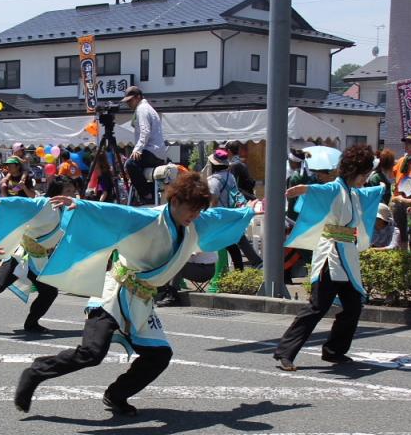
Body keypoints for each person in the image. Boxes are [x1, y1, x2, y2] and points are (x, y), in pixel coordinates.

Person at [13, 171, 253, 416]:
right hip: (115, 292)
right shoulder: (147, 218)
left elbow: (221, 217)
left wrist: (250, 210)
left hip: (142, 299)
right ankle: (37, 371)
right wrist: (83, 206)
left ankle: (116, 395)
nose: (195, 215)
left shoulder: (194, 223)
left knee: (159, 355)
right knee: (92, 353)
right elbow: (116, 213)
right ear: (176, 200)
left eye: (199, 210)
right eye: (192, 208)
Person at [273, 144, 384, 371]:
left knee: (353, 306)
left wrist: (382, 188)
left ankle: (334, 351)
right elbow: (318, 190)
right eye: (364, 175)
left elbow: (368, 194)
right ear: (355, 173)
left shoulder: (352, 192)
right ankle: (285, 352)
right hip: (331, 256)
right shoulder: (335, 188)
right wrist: (303, 189)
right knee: (317, 307)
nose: (365, 179)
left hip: (347, 259)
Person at [0, 178, 72, 335]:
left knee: (49, 292)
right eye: (68, 191)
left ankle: (31, 324)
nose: (71, 194)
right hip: (22, 255)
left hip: (39, 258)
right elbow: (23, 203)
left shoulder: (68, 210)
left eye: (72, 191)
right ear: (58, 192)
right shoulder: (44, 203)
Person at [207, 148, 261, 270]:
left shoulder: (213, 180)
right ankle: (246, 266)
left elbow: (213, 200)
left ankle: (236, 269)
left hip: (219, 216)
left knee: (229, 243)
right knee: (235, 241)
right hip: (231, 212)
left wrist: (210, 216)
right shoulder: (230, 177)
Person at [121, 86, 166, 203]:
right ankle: (149, 191)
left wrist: (138, 149)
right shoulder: (148, 108)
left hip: (151, 151)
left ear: (138, 97)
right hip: (157, 153)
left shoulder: (142, 109)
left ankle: (146, 195)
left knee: (130, 164)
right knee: (134, 166)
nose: (128, 103)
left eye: (130, 100)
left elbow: (145, 131)